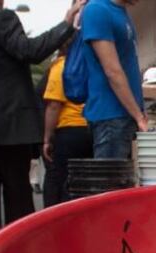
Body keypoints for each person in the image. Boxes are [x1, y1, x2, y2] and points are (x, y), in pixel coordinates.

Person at [0, 0, 83, 249]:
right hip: (8, 127)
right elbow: (30, 50)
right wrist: (66, 23)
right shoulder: (1, 19)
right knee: (17, 196)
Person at [81, 0, 146, 159]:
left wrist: (139, 113)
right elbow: (112, 70)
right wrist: (138, 116)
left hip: (124, 116)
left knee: (122, 182)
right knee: (110, 182)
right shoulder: (97, 10)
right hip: (110, 117)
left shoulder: (121, 12)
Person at [42, 39, 92, 207]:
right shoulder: (92, 64)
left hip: (68, 131)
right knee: (88, 184)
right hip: (93, 129)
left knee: (64, 183)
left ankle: (61, 225)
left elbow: (54, 105)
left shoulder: (62, 66)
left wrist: (47, 138)